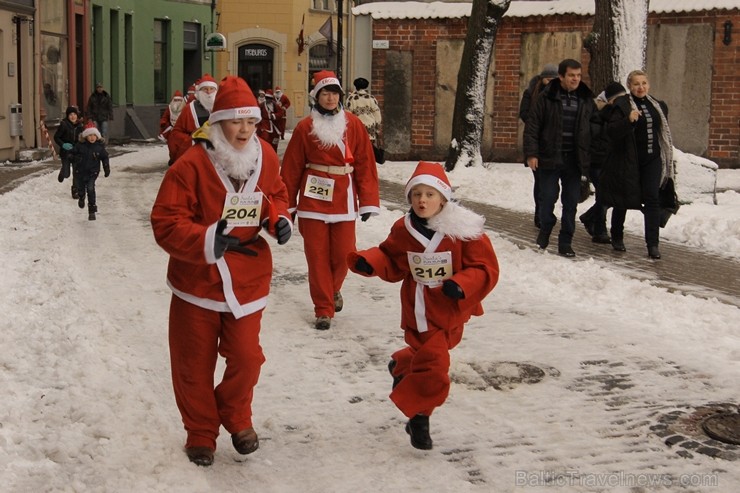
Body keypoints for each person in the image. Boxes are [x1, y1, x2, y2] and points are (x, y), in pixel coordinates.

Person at [150, 75, 293, 467]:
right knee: (193, 361)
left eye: (251, 121)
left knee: (247, 357)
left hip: (248, 273)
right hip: (197, 278)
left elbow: (275, 194)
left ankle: (235, 413)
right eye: (236, 122)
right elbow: (165, 220)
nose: (245, 130)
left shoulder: (266, 155)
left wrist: (278, 218)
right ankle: (200, 433)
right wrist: (206, 239)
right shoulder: (192, 163)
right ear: (218, 123)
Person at [347, 161, 499, 450]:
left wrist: (462, 283)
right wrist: (371, 262)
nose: (422, 200)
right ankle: (419, 417)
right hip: (418, 307)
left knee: (428, 356)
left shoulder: (465, 231)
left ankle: (403, 365)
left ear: (443, 198)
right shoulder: (403, 229)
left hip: (451, 307)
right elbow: (391, 257)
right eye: (416, 194)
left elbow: (485, 267)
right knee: (434, 367)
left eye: (429, 194)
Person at [280, 70, 380, 331]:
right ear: (317, 96)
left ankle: (333, 290)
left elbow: (365, 164)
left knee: (344, 254)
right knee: (316, 257)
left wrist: (368, 199)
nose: (331, 98)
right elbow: (291, 168)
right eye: (326, 93)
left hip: (344, 199)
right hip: (313, 199)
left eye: (334, 93)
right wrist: (286, 206)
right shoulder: (304, 128)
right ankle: (323, 309)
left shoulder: (353, 125)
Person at [597, 70, 674, 260]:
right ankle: (617, 235)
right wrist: (628, 120)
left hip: (652, 159)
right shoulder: (621, 105)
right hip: (629, 159)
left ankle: (653, 244)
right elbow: (612, 131)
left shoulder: (656, 105)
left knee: (652, 199)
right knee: (624, 198)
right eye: (636, 84)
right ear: (629, 87)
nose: (641, 87)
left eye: (644, 83)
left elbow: (660, 130)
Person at [523, 59, 595, 258]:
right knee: (547, 198)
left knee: (571, 201)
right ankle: (546, 227)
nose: (575, 79)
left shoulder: (585, 99)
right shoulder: (546, 98)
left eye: (578, 75)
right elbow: (533, 126)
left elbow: (594, 127)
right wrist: (532, 154)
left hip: (574, 159)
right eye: (571, 75)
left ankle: (566, 241)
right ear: (561, 76)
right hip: (549, 157)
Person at [579, 81, 627, 244]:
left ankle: (590, 218)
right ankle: (599, 229)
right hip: (596, 162)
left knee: (609, 195)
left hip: (612, 161)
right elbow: (589, 137)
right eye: (618, 98)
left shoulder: (620, 113)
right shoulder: (595, 112)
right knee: (605, 195)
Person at [519, 64, 558, 229]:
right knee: (541, 182)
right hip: (537, 144)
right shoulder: (531, 92)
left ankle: (546, 212)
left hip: (554, 146)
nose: (551, 82)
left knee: (550, 184)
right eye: (549, 79)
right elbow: (525, 114)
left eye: (555, 79)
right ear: (542, 78)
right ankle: (540, 213)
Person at [167, 74, 218, 165]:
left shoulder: (222, 107)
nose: (209, 92)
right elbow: (176, 133)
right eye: (205, 89)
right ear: (199, 91)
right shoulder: (189, 109)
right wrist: (193, 140)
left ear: (216, 90)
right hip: (197, 156)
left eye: (211, 89)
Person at [68, 122, 110, 221]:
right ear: (86, 136)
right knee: (81, 189)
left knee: (91, 189)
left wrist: (106, 168)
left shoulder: (99, 147)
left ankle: (92, 210)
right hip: (80, 172)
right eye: (90, 135)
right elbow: (71, 154)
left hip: (93, 172)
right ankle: (81, 197)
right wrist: (72, 158)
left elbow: (105, 157)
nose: (92, 137)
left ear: (97, 136)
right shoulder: (80, 146)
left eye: (94, 135)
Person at [55, 105, 84, 199]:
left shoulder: (80, 126)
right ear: (67, 116)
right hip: (66, 153)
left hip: (76, 153)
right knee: (67, 174)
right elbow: (56, 137)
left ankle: (75, 191)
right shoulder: (64, 125)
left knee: (77, 172)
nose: (73, 116)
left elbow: (83, 139)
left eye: (74, 114)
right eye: (71, 114)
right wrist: (63, 145)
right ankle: (63, 172)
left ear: (77, 116)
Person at [345, 77, 382, 144]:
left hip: (357, 128)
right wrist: (377, 129)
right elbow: (377, 115)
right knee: (370, 150)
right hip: (370, 128)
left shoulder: (351, 99)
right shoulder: (371, 98)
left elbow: (348, 115)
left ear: (355, 86)